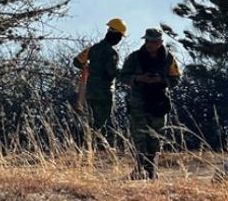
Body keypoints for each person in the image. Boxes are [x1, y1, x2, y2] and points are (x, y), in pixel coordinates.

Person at [118, 28, 182, 180]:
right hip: (138, 102)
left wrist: (160, 80)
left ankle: (151, 170)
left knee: (156, 139)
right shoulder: (135, 57)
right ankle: (140, 170)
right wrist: (139, 79)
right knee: (139, 138)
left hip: (158, 102)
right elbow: (122, 76)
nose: (150, 45)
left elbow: (176, 79)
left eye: (153, 42)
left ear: (160, 42)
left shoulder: (169, 59)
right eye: (147, 41)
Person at [73, 18, 127, 146]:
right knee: (100, 124)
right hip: (105, 94)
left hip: (90, 92)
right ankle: (96, 149)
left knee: (90, 120)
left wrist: (87, 67)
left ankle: (84, 146)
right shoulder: (112, 53)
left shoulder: (93, 49)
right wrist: (127, 75)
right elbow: (111, 72)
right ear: (117, 35)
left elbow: (77, 61)